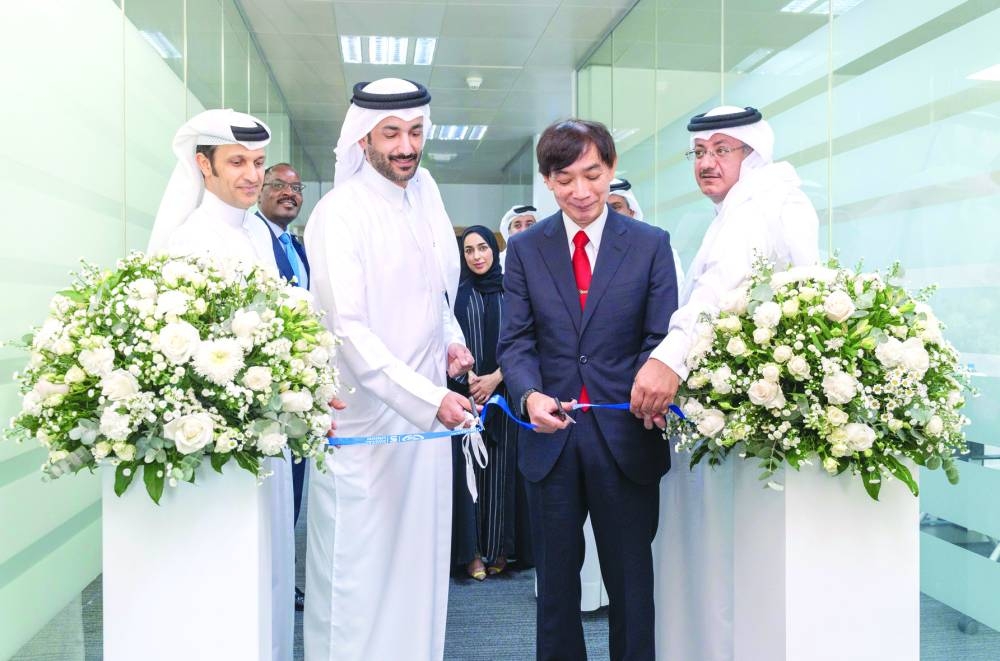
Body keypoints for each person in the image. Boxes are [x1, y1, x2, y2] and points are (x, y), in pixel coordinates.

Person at [629, 106, 820, 661]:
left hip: (737, 427)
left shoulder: (753, 210)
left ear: (751, 153)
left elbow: (717, 295)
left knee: (723, 560)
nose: (707, 163)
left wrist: (668, 361)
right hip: (730, 417)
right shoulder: (743, 206)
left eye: (722, 150)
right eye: (700, 152)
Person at [303, 78, 475, 661]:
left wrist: (451, 341)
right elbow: (346, 327)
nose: (407, 146)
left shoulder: (425, 191)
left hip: (425, 421)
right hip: (369, 424)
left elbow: (436, 289)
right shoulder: (338, 213)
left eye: (416, 132)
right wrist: (427, 400)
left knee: (419, 561)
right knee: (358, 568)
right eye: (392, 133)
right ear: (363, 138)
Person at [498, 118, 679, 661]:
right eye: (565, 178)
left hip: (626, 435)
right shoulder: (526, 249)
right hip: (550, 440)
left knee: (630, 583)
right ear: (547, 182)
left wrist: (652, 377)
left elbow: (661, 335)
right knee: (555, 587)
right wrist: (528, 395)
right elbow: (516, 341)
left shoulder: (650, 245)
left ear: (612, 169)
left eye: (592, 174)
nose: (581, 191)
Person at [147, 108, 294, 661]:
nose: (253, 175)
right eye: (238, 162)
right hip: (220, 451)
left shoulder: (256, 229)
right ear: (202, 165)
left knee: (272, 567)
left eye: (258, 163)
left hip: (267, 433)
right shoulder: (189, 240)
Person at [250, 162, 311, 612]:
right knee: (269, 486)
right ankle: (262, 575)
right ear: (261, 191)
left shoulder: (297, 244)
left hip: (299, 385)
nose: (289, 193)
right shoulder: (251, 238)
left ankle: (281, 574)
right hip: (264, 385)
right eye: (279, 186)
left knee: (293, 483)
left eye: (296, 188)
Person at [450, 226, 527, 581]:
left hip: (504, 394)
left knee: (500, 473)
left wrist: (496, 378)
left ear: (494, 252)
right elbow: (443, 339)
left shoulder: (512, 291)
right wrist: (468, 381)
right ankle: (472, 553)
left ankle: (498, 549)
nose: (477, 256)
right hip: (463, 397)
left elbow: (525, 340)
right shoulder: (456, 294)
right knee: (469, 477)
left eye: (483, 248)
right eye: (469, 251)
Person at [609, 178, 686, 287]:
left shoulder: (656, 249)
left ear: (631, 212)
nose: (610, 214)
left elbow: (673, 295)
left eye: (616, 207)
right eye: (604, 209)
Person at [497, 204, 537, 270]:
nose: (524, 230)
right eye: (517, 226)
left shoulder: (546, 259)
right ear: (508, 231)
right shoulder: (498, 262)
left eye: (529, 225)